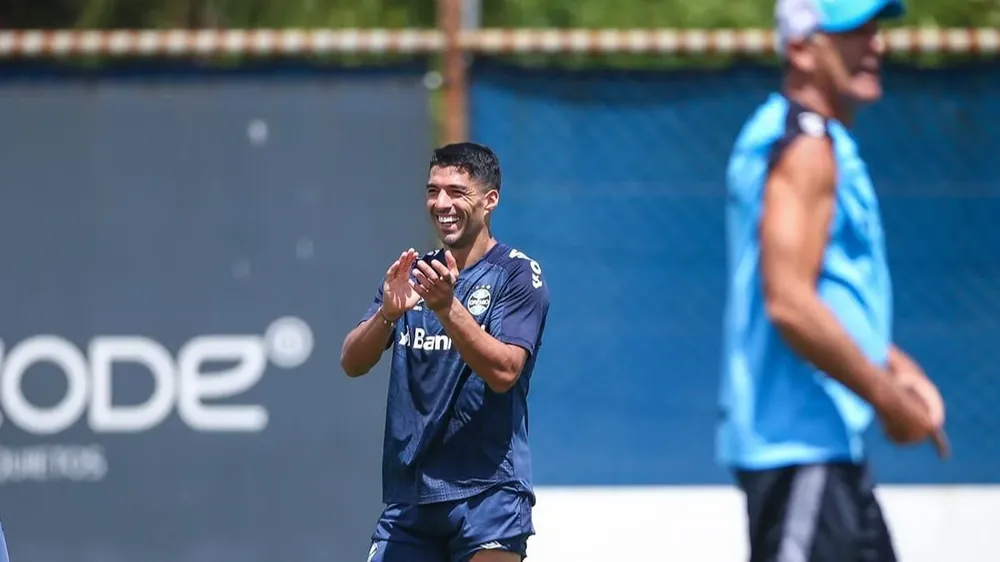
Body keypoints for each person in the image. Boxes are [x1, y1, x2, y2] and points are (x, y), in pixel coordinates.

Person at [718, 0, 948, 560]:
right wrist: (890, 400)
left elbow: (818, 292)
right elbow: (791, 303)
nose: (878, 45)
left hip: (822, 455)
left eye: (876, 30)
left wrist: (894, 364)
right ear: (801, 48)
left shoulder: (797, 136)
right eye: (855, 32)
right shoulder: (807, 148)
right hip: (801, 452)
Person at [340, 142, 549, 562]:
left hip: (488, 493)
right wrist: (386, 313)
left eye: (457, 192)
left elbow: (505, 372)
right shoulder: (414, 274)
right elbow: (352, 362)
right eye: (433, 191)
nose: (442, 204)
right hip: (412, 495)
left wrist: (446, 308)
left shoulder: (517, 274)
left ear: (489, 201)